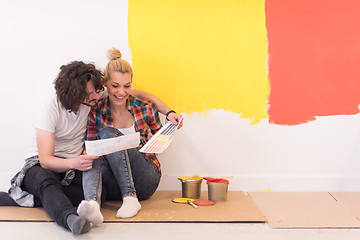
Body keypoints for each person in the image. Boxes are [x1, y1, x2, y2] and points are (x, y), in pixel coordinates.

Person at [0, 60, 181, 234]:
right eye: (90, 93)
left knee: (100, 179)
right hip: (45, 165)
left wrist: (169, 112)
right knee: (53, 180)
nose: (96, 95)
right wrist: (76, 162)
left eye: (97, 91)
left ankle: (25, 198)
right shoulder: (60, 109)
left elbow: (137, 94)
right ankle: (72, 218)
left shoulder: (98, 101)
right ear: (75, 94)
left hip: (101, 170)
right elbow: (46, 161)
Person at [76, 47, 182, 225]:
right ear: (106, 84)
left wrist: (170, 125)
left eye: (127, 86)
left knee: (109, 134)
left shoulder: (145, 107)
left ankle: (131, 198)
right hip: (112, 183)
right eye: (115, 86)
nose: (121, 92)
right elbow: (91, 148)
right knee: (92, 154)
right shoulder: (96, 111)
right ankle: (93, 204)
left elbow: (161, 140)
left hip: (145, 179)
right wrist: (88, 155)